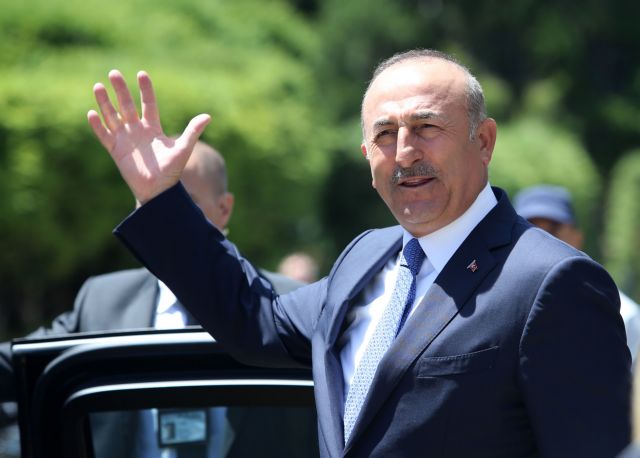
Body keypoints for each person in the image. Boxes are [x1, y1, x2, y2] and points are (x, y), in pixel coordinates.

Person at [88, 49, 631, 457]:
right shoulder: (367, 256)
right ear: (367, 155)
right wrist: (161, 199)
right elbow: (255, 319)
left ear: (483, 141)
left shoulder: (552, 281)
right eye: (385, 134)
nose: (405, 152)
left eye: (426, 127)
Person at [0, 140, 307, 457]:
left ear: (224, 208)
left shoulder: (284, 302)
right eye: (150, 202)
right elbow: (21, 365)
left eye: (182, 205)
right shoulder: (104, 300)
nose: (164, 218)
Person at [514, 184, 640, 362]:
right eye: (529, 229)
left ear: (577, 237)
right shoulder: (493, 309)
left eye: (553, 230)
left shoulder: (623, 315)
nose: (541, 240)